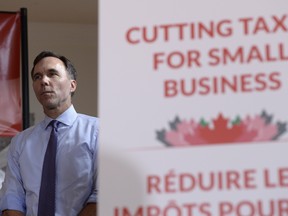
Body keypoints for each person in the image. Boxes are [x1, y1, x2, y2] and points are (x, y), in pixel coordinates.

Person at [0, 51, 99, 216]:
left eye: (52, 74)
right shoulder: (20, 142)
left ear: (72, 85)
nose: (44, 81)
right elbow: (12, 197)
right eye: (37, 77)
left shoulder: (98, 131)